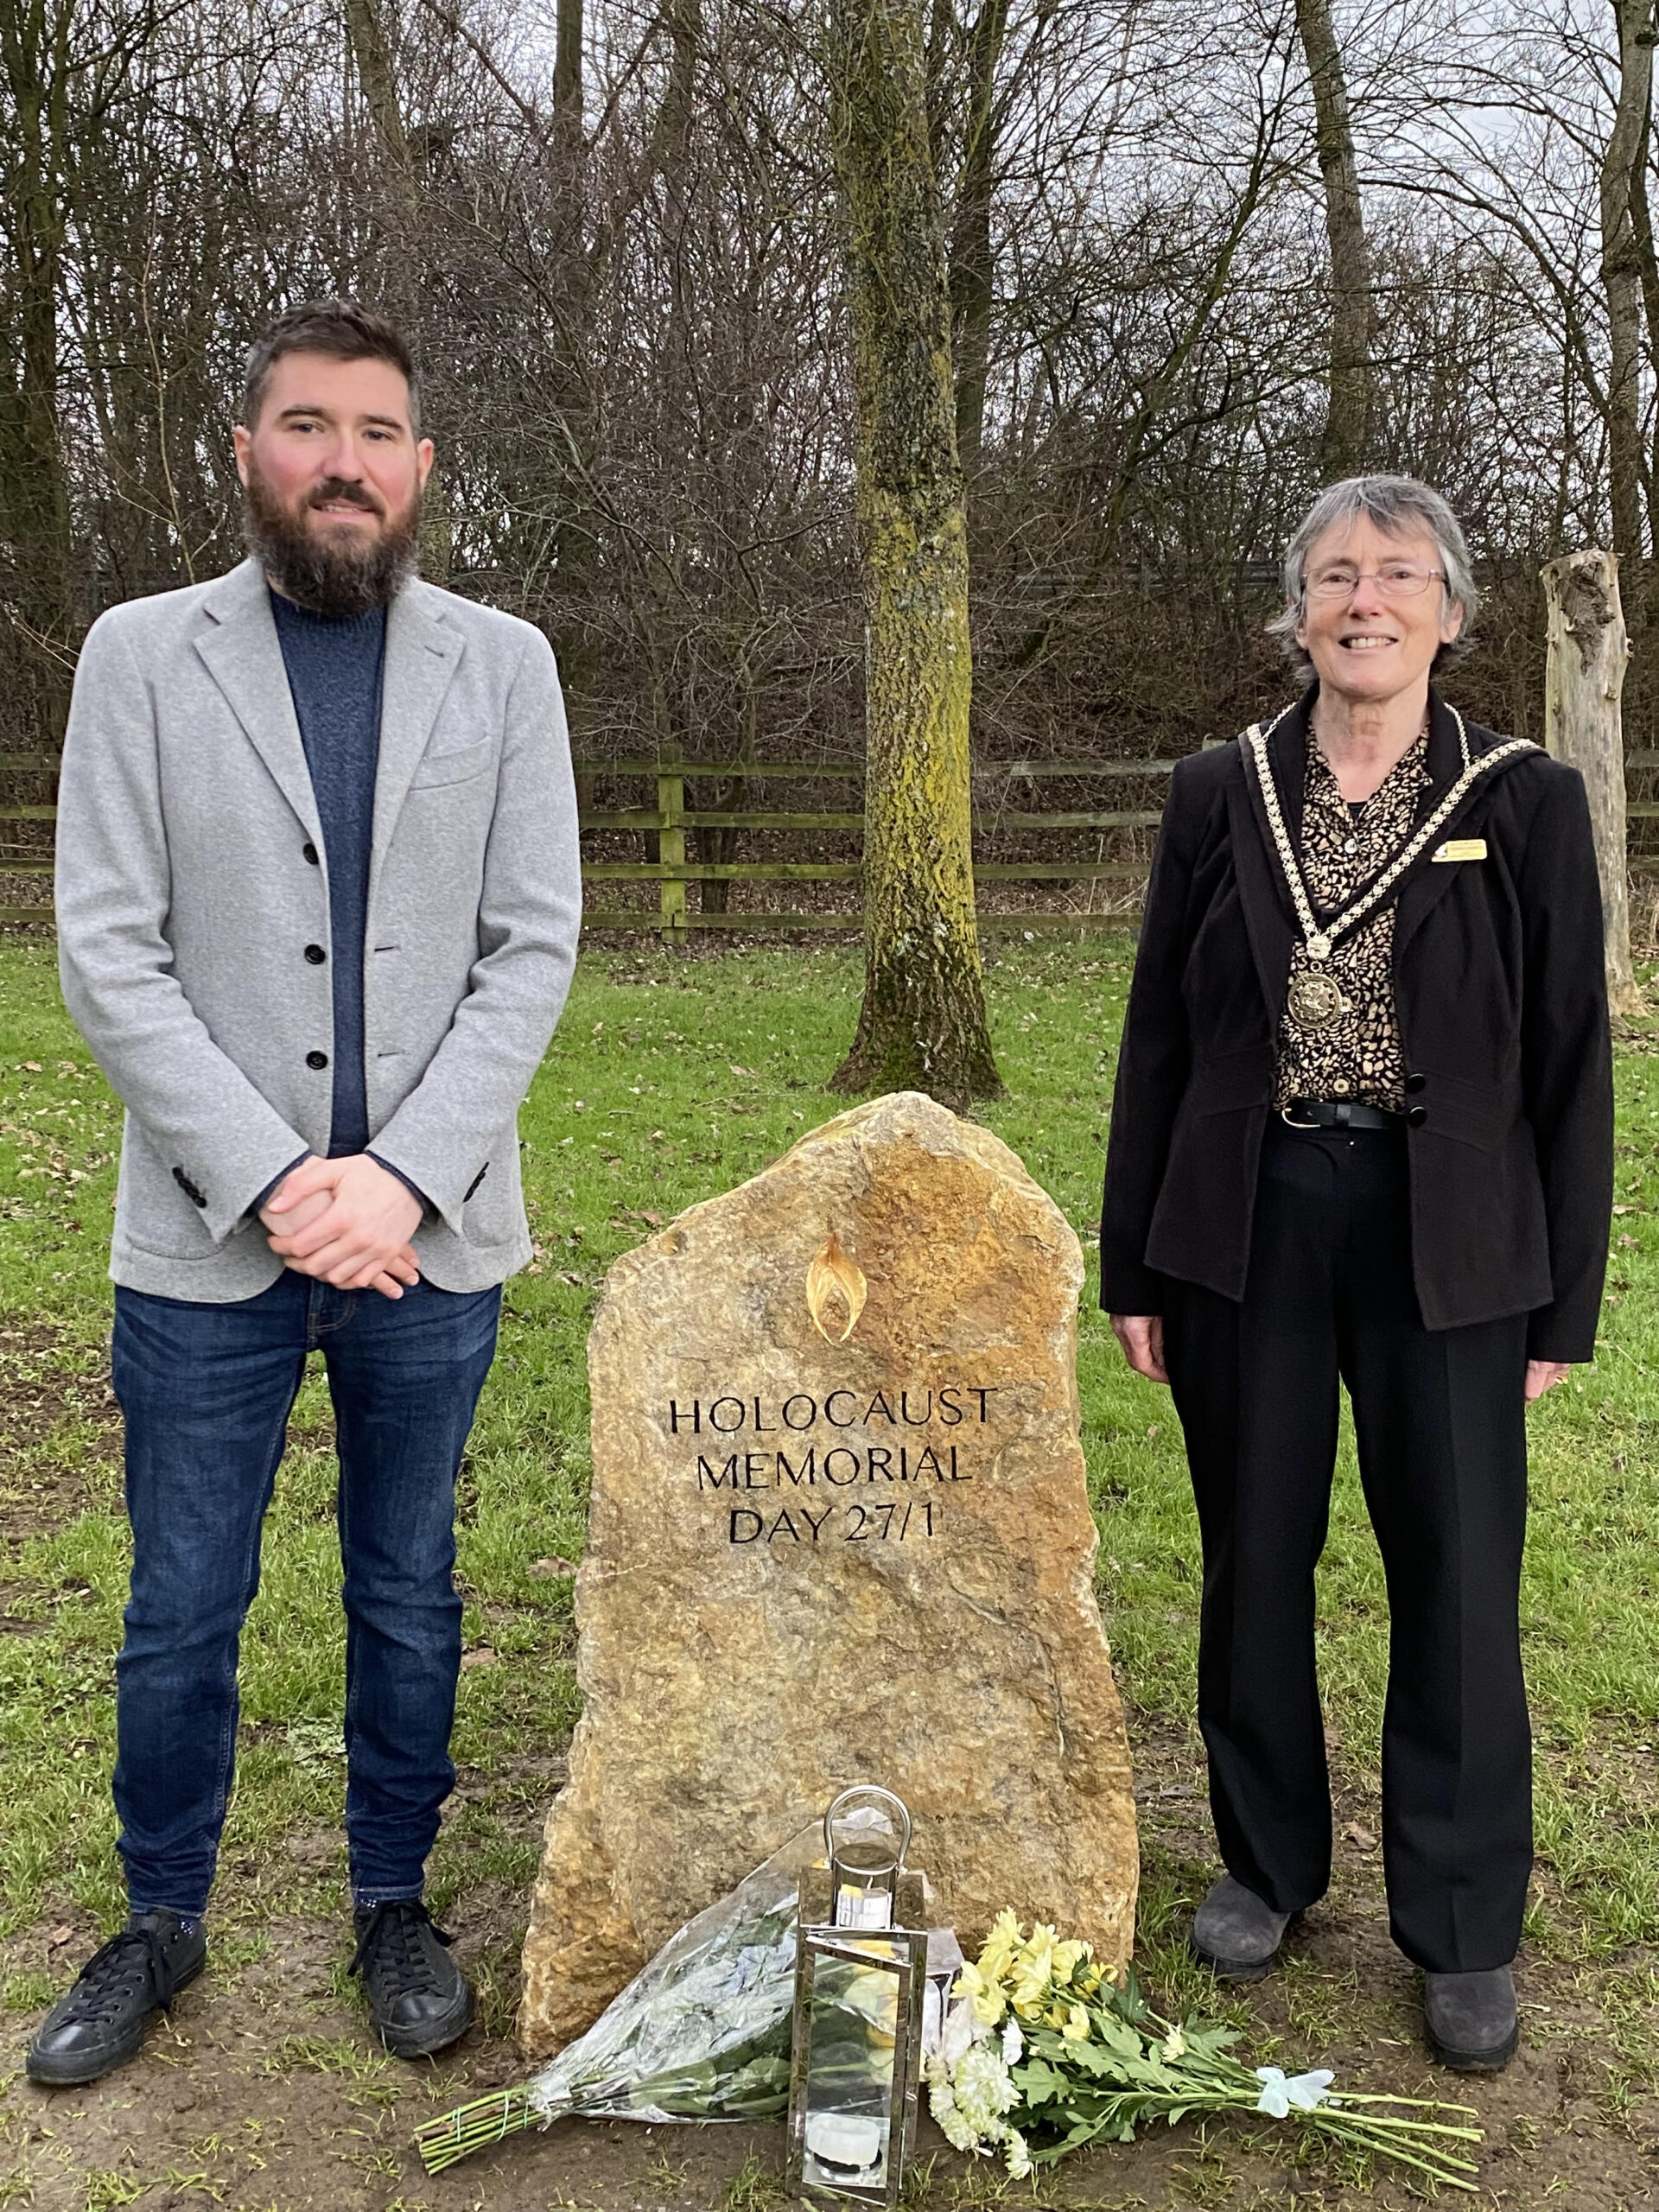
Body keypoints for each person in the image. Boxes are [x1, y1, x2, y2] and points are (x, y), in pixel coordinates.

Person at [30, 298, 582, 2085]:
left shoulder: (508, 667)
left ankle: (394, 1899)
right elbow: (108, 950)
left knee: (410, 1582)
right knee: (182, 1595)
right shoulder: (139, 653)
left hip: (433, 1238)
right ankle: (160, 1916)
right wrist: (277, 1177)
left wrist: (401, 1181)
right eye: (305, 425)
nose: (342, 460)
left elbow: (534, 945)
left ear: (423, 464)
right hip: (206, 1237)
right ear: (249, 449)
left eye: (376, 431)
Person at [1099, 474, 1612, 2072]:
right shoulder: (1217, 789)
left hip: (1447, 1236)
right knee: (1255, 1547)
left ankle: (1460, 1922)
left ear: (1454, 614)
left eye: (1401, 576)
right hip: (1247, 1218)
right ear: (1300, 611)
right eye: (1337, 576)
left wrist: (1565, 1302)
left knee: (1456, 1572)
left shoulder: (1523, 801)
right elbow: (1160, 1041)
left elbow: (1569, 1064)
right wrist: (1135, 1263)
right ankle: (1267, 1863)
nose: (1365, 600)